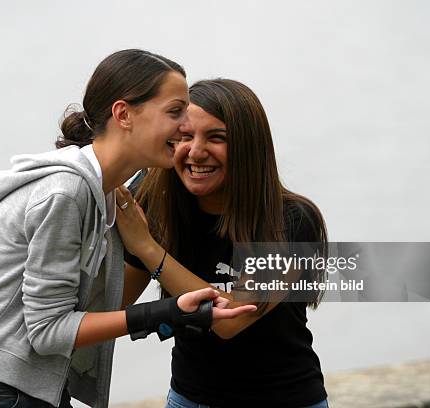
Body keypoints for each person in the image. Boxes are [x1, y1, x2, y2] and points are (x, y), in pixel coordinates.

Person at [0, 51, 255, 408]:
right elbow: (48, 331)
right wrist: (168, 310)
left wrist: (161, 282)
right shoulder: (70, 193)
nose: (186, 129)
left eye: (215, 136)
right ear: (123, 114)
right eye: (176, 111)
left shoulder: (108, 194)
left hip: (28, 387)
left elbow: (236, 319)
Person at [117, 78, 330, 407]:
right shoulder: (154, 196)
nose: (196, 151)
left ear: (248, 148)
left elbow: (232, 318)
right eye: (185, 136)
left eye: (217, 138)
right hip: (188, 398)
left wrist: (148, 248)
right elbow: (115, 301)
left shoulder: (293, 221)